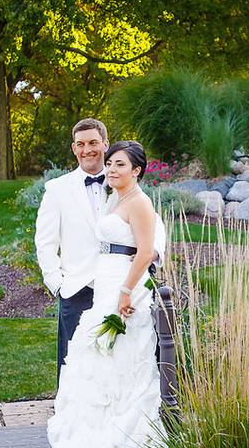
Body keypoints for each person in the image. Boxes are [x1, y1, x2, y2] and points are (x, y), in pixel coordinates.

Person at [18, 140, 164, 448]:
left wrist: (124, 294)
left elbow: (147, 251)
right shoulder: (115, 199)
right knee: (93, 368)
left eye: (119, 164)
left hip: (124, 292)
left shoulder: (140, 203)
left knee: (123, 373)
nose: (111, 169)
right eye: (110, 163)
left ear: (137, 170)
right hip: (103, 286)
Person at [33, 118, 165, 381]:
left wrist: (150, 257)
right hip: (77, 286)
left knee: (122, 359)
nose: (87, 150)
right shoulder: (57, 190)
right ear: (73, 148)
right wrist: (57, 283)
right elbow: (45, 242)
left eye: (93, 142)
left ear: (105, 143)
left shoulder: (123, 179)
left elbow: (154, 225)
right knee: (77, 366)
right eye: (80, 144)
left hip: (121, 284)